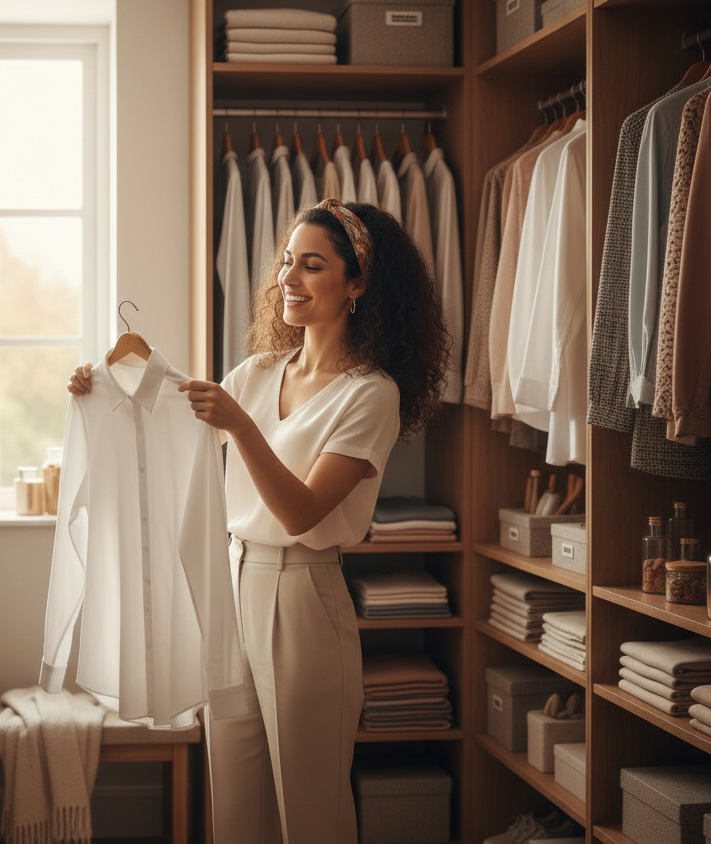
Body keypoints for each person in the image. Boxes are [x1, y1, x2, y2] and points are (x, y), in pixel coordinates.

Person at [68, 199, 449, 844]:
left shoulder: (370, 394)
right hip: (233, 584)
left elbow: (302, 512)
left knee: (310, 807)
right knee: (236, 798)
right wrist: (104, 390)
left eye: (312, 265)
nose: (288, 280)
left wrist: (243, 427)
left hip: (304, 595)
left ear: (359, 284)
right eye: (285, 263)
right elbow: (166, 425)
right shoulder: (259, 372)